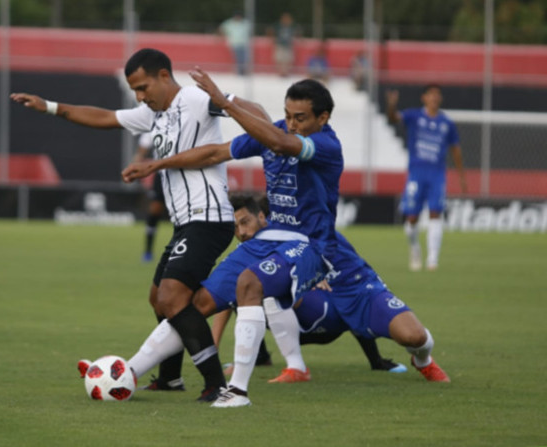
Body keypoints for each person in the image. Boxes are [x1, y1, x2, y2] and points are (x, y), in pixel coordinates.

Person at [11, 48, 268, 402]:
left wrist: (225, 100)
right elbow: (105, 117)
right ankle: (170, 378)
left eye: (143, 87)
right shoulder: (154, 115)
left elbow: (260, 116)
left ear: (165, 76)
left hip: (208, 218)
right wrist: (52, 107)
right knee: (158, 299)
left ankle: (215, 384)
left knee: (173, 297)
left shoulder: (196, 98)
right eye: (135, 90)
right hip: (185, 223)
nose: (140, 96)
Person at [123, 70, 349, 408]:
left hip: (310, 245)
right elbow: (214, 153)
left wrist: (224, 100)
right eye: (287, 116)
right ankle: (126, 373)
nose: (291, 124)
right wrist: (157, 165)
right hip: (270, 239)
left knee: (249, 282)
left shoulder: (325, 145)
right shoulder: (275, 131)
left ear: (323, 117)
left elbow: (279, 143)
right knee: (195, 304)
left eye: (300, 118)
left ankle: (237, 391)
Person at [213, 194, 406, 381]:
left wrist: (313, 270)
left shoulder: (310, 236)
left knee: (347, 292)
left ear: (263, 217)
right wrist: (213, 350)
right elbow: (226, 297)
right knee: (244, 288)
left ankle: (372, 359)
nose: (241, 233)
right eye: (235, 227)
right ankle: (262, 358)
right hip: (300, 324)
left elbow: (355, 278)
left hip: (325, 319)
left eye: (245, 223)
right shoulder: (250, 251)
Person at [386, 84, 467, 271]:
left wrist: (461, 175)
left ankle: (432, 260)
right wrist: (391, 106)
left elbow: (455, 149)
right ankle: (414, 247)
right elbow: (393, 118)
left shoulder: (447, 123)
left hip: (437, 174)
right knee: (412, 217)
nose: (434, 98)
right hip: (417, 172)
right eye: (431, 95)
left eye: (437, 95)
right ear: (424, 98)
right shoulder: (414, 116)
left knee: (435, 213)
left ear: (440, 99)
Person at [134, 132, 167, 262]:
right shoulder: (155, 125)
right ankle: (148, 251)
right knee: (154, 211)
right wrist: (136, 165)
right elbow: (142, 150)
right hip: (161, 174)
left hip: (181, 172)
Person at [219, 11, 250, 76]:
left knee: (244, 58)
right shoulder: (229, 23)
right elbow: (221, 28)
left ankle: (243, 71)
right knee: (238, 59)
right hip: (234, 44)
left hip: (244, 44)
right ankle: (239, 72)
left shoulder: (245, 23)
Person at [271, 12, 297, 77]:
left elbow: (296, 33)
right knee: (279, 59)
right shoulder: (278, 26)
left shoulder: (291, 27)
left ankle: (286, 72)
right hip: (280, 44)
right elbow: (271, 30)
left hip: (288, 45)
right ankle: (280, 72)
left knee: (288, 59)